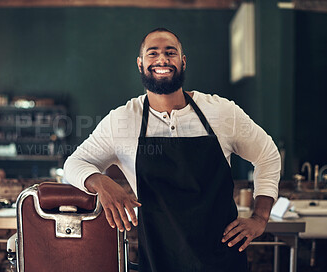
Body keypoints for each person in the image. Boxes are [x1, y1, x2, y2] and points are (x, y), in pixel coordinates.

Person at [64, 28, 280, 271]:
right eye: (153, 53)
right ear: (140, 63)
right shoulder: (123, 120)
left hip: (222, 258)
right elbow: (73, 164)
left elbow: (268, 155)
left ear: (183, 61)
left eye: (170, 52)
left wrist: (260, 218)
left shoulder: (221, 112)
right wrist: (101, 183)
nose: (162, 60)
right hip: (158, 260)